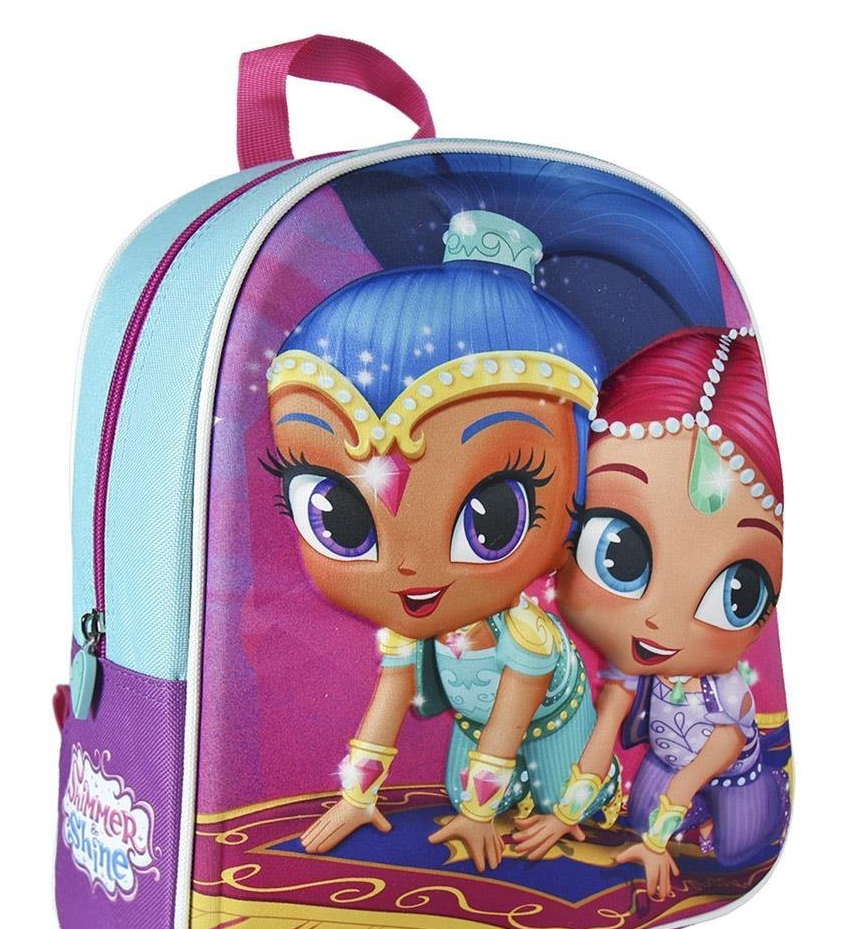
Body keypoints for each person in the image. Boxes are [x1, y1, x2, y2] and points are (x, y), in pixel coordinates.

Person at [263, 210, 621, 872]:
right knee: (467, 794)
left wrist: (484, 813)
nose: (407, 567)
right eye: (339, 518)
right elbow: (389, 700)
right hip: (477, 732)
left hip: (554, 726)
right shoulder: (411, 632)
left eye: (492, 519)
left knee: (558, 806)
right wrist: (356, 796)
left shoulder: (526, 634)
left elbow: (512, 718)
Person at [514, 327, 789, 895]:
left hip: (727, 773)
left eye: (737, 593)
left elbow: (721, 746)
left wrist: (670, 818)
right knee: (640, 823)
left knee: (740, 850)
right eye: (618, 554)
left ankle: (751, 804)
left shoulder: (723, 687)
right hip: (664, 764)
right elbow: (602, 741)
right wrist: (566, 815)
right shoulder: (629, 674)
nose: (662, 622)